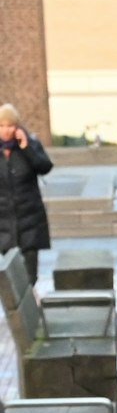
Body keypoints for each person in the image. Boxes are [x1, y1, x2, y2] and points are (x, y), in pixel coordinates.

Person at [0, 105, 53, 285]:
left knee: (31, 274)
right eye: (1, 126)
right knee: (11, 273)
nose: (6, 130)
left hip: (29, 217)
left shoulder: (29, 144)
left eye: (10, 125)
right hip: (4, 221)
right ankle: (17, 311)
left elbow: (45, 167)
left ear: (17, 126)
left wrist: (26, 147)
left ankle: (30, 307)